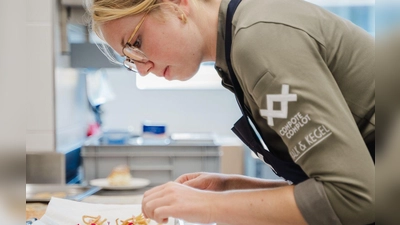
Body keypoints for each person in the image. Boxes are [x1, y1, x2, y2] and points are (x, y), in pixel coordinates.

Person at [84, 0, 375, 224]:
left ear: (177, 4)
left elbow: (352, 198)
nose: (143, 69)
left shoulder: (260, 40)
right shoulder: (237, 48)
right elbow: (328, 185)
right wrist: (231, 188)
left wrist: (205, 206)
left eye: (136, 43)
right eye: (130, 59)